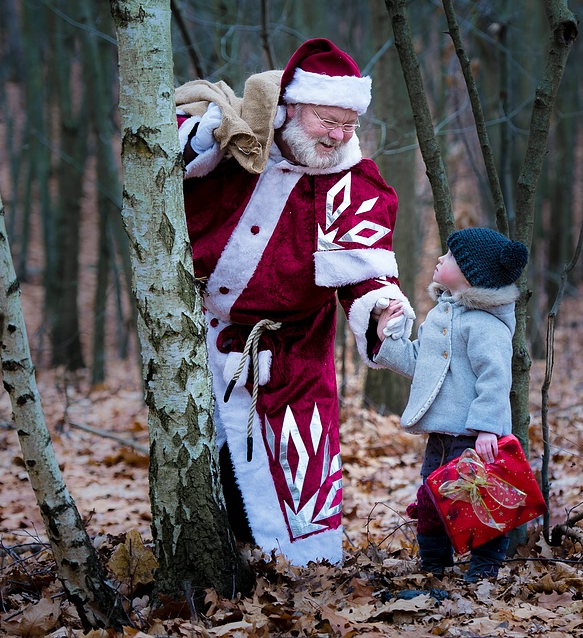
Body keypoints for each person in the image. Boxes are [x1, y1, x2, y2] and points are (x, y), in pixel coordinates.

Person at [174, 38, 414, 566]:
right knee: (199, 455)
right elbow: (164, 150)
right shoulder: (234, 141)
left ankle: (299, 570)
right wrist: (206, 135)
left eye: (348, 125)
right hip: (193, 333)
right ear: (290, 108)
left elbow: (363, 268)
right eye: (326, 120)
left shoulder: (353, 185)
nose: (338, 135)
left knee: (295, 456)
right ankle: (213, 563)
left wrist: (379, 308)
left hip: (292, 346)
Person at [373, 227, 529, 581]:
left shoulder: (485, 325)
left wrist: (488, 427)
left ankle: (484, 570)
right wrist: (386, 338)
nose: (441, 259)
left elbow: (495, 378)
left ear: (471, 274)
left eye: (451, 256)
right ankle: (433, 568)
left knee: (481, 503)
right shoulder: (441, 317)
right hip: (441, 439)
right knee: (431, 503)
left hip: (474, 439)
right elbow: (419, 362)